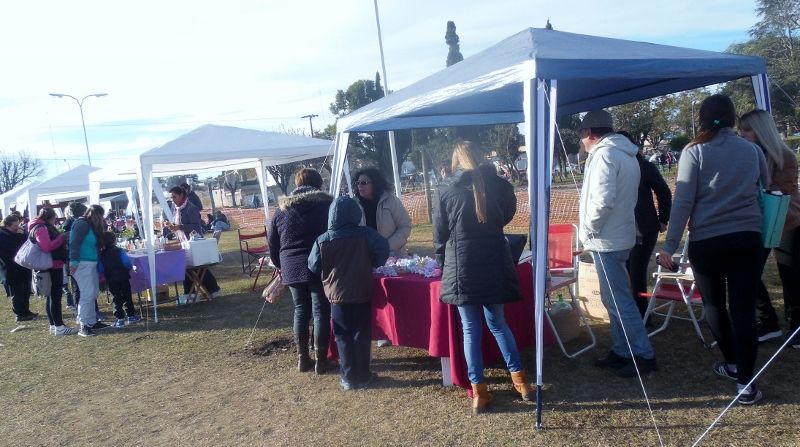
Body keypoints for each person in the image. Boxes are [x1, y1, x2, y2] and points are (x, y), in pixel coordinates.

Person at [658, 94, 768, 405]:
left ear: (703, 120)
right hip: (748, 236)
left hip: (707, 241)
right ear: (734, 119)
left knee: (714, 304)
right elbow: (765, 188)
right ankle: (745, 383)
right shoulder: (752, 150)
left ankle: (733, 362)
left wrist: (670, 244)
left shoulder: (694, 152)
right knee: (744, 309)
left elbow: (683, 201)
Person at [433, 142, 533, 414]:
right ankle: (521, 382)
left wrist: (445, 266)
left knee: (471, 329)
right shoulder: (500, 185)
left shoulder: (445, 189)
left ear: (455, 162)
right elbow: (507, 216)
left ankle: (479, 391)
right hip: (492, 259)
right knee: (498, 323)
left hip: (462, 265)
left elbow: (439, 234)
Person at [578, 110, 657, 378]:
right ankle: (623, 350)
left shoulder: (604, 156)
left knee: (620, 301)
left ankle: (643, 354)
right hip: (619, 236)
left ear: (589, 134)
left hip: (607, 240)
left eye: (582, 135)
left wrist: (588, 230)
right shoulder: (626, 154)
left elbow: (603, 200)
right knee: (614, 300)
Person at [308, 196, 389, 391]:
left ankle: (348, 376)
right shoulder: (366, 234)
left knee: (342, 335)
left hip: (337, 296)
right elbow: (383, 249)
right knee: (361, 333)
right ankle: (363, 374)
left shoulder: (323, 239)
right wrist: (373, 261)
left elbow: (313, 265)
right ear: (356, 214)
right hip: (362, 291)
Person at [738, 109, 800, 347]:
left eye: (747, 130)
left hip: (786, 220)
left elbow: (780, 193)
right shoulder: (748, 154)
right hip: (758, 222)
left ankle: (795, 325)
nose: (742, 134)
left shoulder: (784, 156)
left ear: (761, 131)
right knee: (748, 272)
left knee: (791, 276)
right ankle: (768, 321)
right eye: (740, 130)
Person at [269, 168, 335, 374]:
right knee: (320, 311)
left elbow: (272, 241)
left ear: (297, 185)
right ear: (318, 184)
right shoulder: (327, 205)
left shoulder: (281, 210)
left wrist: (279, 264)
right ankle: (321, 361)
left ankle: (302, 358)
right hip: (319, 262)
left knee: (300, 311)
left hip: (291, 264)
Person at [617, 131, 672, 319]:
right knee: (624, 270)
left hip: (645, 228)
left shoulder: (645, 166)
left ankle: (642, 314)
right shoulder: (614, 167)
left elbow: (664, 192)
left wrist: (663, 218)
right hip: (621, 228)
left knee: (636, 270)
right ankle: (632, 310)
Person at [29, 208, 80, 336]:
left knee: (51, 296)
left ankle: (53, 325)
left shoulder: (39, 226)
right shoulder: (41, 228)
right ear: (50, 217)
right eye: (54, 218)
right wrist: (62, 238)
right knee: (55, 296)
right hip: (51, 265)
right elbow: (47, 246)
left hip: (51, 265)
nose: (55, 221)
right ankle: (59, 326)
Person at [167, 186, 222, 298]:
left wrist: (180, 227)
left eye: (174, 197)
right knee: (187, 268)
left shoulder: (191, 208)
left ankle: (213, 289)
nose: (172, 199)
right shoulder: (176, 208)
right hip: (184, 243)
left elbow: (196, 227)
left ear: (181, 195)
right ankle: (190, 293)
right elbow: (178, 226)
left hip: (195, 243)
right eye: (171, 197)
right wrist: (173, 227)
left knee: (199, 268)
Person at [69, 204, 110, 337]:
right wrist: (73, 262)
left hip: (90, 263)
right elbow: (74, 243)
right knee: (87, 295)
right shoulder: (82, 224)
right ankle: (83, 325)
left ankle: (92, 321)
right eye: (100, 216)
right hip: (81, 263)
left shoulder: (89, 225)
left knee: (93, 293)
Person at [353, 167, 412, 257]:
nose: (360, 186)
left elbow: (405, 226)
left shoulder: (391, 200)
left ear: (375, 183)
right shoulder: (353, 204)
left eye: (364, 183)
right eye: (358, 183)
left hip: (393, 257)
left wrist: (387, 246)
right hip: (365, 258)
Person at [98, 232, 141, 328]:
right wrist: (129, 269)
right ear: (114, 241)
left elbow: (100, 268)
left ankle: (120, 319)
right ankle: (131, 316)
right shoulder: (120, 251)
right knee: (127, 296)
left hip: (111, 279)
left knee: (115, 298)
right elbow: (126, 263)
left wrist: (102, 275)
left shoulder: (102, 254)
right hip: (123, 277)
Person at [0, 215, 36, 323]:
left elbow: (26, 244)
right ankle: (19, 314)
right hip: (10, 268)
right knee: (17, 293)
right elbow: (13, 248)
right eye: (15, 225)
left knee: (25, 290)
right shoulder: (2, 235)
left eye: (18, 224)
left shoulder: (18, 233)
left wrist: (23, 234)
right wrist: (19, 236)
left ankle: (26, 311)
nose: (17, 227)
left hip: (22, 267)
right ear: (7, 225)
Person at [63, 201, 88, 312]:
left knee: (81, 286)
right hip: (75, 258)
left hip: (80, 256)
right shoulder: (69, 223)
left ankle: (83, 309)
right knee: (78, 286)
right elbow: (71, 242)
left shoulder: (75, 222)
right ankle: (80, 309)